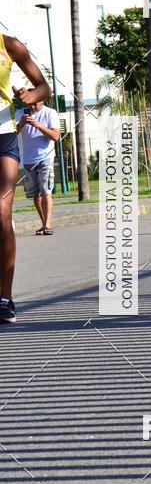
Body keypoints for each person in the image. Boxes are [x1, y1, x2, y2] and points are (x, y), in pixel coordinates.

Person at [0, 32, 51, 324]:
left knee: (2, 212)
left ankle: (4, 299)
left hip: (3, 136)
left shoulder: (10, 45)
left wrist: (31, 96)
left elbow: (44, 87)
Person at [16, 97, 60, 235]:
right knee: (35, 195)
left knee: (46, 191)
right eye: (30, 104)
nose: (33, 107)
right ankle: (43, 224)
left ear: (42, 100)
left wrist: (37, 125)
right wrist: (21, 123)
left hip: (45, 157)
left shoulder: (50, 113)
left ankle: (48, 225)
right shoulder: (20, 113)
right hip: (28, 159)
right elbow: (11, 134)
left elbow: (55, 136)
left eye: (36, 104)